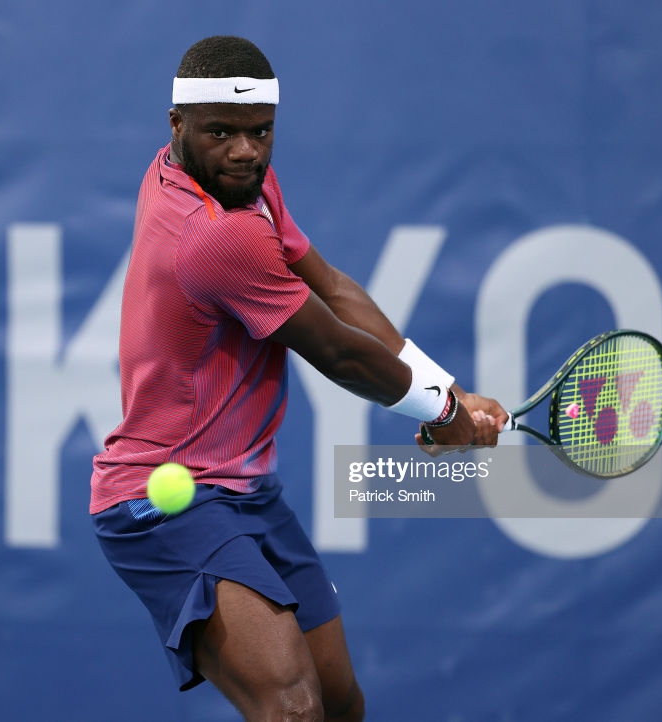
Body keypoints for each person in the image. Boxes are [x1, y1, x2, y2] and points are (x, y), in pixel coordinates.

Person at [91, 35, 508, 721]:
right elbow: (338, 353)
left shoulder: (232, 181)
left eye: (260, 133)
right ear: (176, 125)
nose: (245, 151)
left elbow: (335, 291)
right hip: (162, 500)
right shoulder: (214, 234)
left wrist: (450, 390)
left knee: (339, 702)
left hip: (247, 493)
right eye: (221, 133)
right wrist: (441, 415)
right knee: (292, 708)